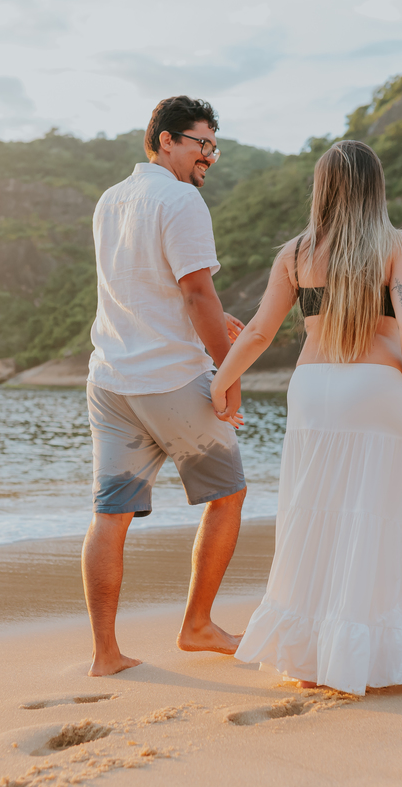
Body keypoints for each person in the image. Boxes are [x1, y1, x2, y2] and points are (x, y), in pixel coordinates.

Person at [210, 140, 402, 696]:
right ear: (375, 187)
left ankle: (309, 659)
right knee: (377, 517)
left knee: (313, 515)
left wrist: (220, 383)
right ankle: (367, 657)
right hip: (376, 385)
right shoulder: (396, 246)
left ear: (322, 188)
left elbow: (260, 332)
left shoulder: (295, 253)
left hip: (311, 390)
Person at [83, 96, 248, 677]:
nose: (209, 156)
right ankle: (197, 625)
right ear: (165, 141)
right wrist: (227, 375)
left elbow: (141, 288)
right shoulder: (179, 199)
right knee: (228, 494)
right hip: (170, 380)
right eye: (201, 143)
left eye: (213, 145)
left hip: (110, 380)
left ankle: (105, 655)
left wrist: (199, 325)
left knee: (111, 515)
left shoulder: (110, 201)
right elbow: (197, 293)